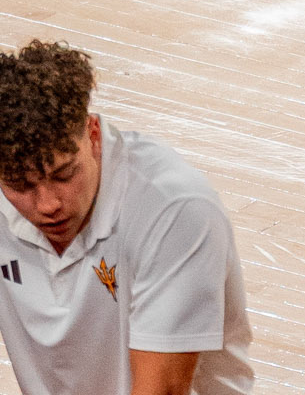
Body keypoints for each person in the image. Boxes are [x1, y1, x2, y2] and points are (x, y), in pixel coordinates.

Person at [0, 40, 253, 395]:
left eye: (64, 175)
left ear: (93, 135)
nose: (47, 205)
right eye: (20, 186)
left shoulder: (174, 209)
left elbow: (162, 389)